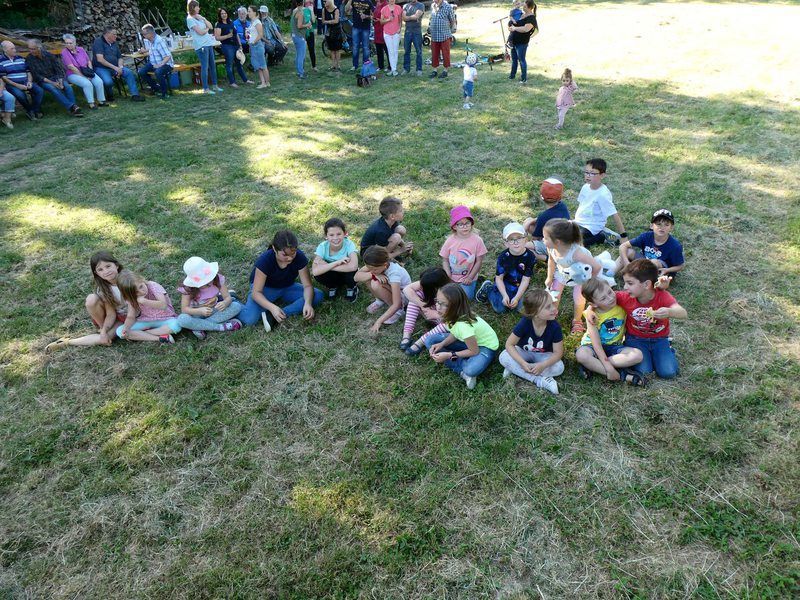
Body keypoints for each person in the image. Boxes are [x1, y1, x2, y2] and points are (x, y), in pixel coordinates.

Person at [613, 259, 687, 379]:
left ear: (647, 284)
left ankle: (668, 349)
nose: (625, 287)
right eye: (625, 283)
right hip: (635, 339)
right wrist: (590, 309)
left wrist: (669, 311)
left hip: (659, 339)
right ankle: (653, 356)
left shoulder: (662, 296)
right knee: (645, 371)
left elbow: (683, 313)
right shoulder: (625, 297)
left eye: (630, 283)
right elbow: (604, 297)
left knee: (668, 373)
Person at [238, 230, 324, 331]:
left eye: (293, 253)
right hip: (266, 289)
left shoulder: (299, 257)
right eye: (285, 255)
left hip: (287, 287)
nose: (290, 258)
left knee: (317, 295)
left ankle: (275, 314)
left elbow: (308, 286)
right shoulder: (265, 260)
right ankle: (232, 300)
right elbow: (256, 293)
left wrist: (308, 303)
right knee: (249, 319)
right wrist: (272, 307)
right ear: (274, 248)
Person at [45, 251, 127, 351]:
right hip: (118, 317)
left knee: (108, 337)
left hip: (131, 316)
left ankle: (105, 333)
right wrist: (104, 331)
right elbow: (111, 313)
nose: (106, 271)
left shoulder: (128, 280)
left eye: (108, 266)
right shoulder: (104, 289)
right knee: (91, 300)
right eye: (100, 269)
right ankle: (68, 342)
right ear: (97, 273)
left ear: (116, 265)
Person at [423, 283, 499, 390]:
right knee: (430, 340)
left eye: (443, 304)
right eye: (437, 302)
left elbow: (474, 351)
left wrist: (449, 355)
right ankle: (460, 363)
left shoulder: (463, 326)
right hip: (468, 340)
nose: (438, 307)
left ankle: (463, 372)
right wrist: (442, 344)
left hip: (485, 347)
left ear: (455, 306)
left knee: (471, 370)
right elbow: (455, 334)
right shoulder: (450, 316)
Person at [576, 277, 646, 386]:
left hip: (614, 346)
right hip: (592, 346)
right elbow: (596, 344)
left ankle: (593, 365)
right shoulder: (592, 316)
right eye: (603, 298)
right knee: (581, 355)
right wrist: (609, 367)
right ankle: (622, 374)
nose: (610, 298)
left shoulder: (622, 305)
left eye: (610, 292)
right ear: (593, 304)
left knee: (638, 355)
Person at [498, 288, 564, 394]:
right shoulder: (525, 323)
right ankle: (539, 380)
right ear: (535, 313)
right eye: (548, 307)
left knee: (559, 367)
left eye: (552, 304)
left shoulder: (555, 326)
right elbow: (509, 344)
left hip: (544, 356)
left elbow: (558, 353)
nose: (554, 308)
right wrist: (522, 363)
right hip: (523, 352)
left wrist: (543, 365)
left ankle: (516, 370)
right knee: (503, 356)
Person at [543, 218, 602, 334]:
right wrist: (549, 277)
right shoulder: (551, 247)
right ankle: (553, 314)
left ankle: (577, 320)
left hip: (580, 276)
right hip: (563, 272)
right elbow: (551, 260)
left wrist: (589, 281)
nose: (542, 239)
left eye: (545, 238)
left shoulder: (577, 254)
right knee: (554, 294)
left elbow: (597, 266)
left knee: (579, 298)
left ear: (558, 241)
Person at [176, 256, 243, 339]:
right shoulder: (188, 289)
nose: (207, 284)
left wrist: (225, 303)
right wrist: (199, 311)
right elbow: (184, 309)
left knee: (236, 306)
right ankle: (221, 327)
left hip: (214, 310)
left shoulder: (218, 280)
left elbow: (227, 298)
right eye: (203, 283)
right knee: (182, 319)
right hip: (196, 315)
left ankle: (198, 327)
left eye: (208, 280)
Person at [476, 222, 536, 314]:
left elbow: (525, 280)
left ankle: (516, 297)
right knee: (500, 309)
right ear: (506, 243)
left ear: (526, 239)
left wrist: (517, 298)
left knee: (520, 309)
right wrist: (504, 295)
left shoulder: (530, 256)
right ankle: (488, 288)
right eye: (511, 239)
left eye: (519, 238)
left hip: (519, 286)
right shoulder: (503, 257)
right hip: (505, 285)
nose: (516, 243)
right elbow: (499, 278)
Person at [354, 245, 411, 332]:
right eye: (369, 268)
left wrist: (378, 321)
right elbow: (356, 277)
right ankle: (380, 300)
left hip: (404, 296)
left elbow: (397, 303)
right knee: (370, 278)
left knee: (375, 283)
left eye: (374, 270)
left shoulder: (394, 273)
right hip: (391, 289)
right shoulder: (375, 264)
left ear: (384, 265)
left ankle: (399, 312)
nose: (371, 270)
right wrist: (374, 274)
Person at [116, 270, 182, 344]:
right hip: (146, 320)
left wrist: (144, 301)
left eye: (141, 286)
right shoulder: (131, 297)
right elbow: (131, 316)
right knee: (119, 331)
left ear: (141, 280)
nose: (142, 292)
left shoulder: (153, 286)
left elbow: (163, 305)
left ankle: (143, 334)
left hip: (166, 318)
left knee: (176, 325)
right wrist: (126, 328)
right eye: (136, 292)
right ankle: (159, 338)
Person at [616, 209, 685, 279]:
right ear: (651, 226)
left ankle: (634, 276)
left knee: (654, 262)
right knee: (628, 251)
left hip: (661, 271)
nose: (662, 228)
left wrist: (667, 270)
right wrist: (626, 263)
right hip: (644, 262)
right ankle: (610, 274)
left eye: (666, 225)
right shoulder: (646, 236)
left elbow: (680, 266)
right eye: (658, 224)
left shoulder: (675, 246)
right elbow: (623, 246)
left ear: (671, 228)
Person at [574, 158, 627, 247]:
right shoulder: (585, 187)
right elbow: (582, 205)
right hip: (578, 222)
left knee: (574, 243)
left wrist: (623, 236)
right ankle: (603, 234)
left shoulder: (603, 194)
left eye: (592, 173)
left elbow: (614, 214)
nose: (588, 176)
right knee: (561, 232)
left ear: (602, 175)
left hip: (591, 227)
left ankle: (601, 237)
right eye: (586, 172)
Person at [439, 205, 487, 299]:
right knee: (446, 295)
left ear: (471, 223)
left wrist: (470, 277)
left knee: (466, 297)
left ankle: (476, 282)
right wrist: (448, 274)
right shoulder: (450, 241)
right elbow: (445, 260)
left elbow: (479, 261)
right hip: (452, 277)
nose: (464, 226)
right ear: (454, 226)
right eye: (460, 224)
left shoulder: (477, 240)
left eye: (467, 223)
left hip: (468, 277)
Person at [25, 39, 83, 117]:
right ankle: (72, 107)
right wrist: (53, 83)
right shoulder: (29, 59)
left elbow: (58, 68)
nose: (31, 51)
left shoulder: (49, 55)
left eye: (33, 49)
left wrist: (60, 81)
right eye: (30, 49)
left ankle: (74, 109)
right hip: (43, 81)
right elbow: (37, 76)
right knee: (53, 89)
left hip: (55, 77)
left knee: (67, 87)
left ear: (39, 48)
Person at [399, 266, 449, 352]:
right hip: (428, 312)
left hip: (443, 320)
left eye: (424, 287)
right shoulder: (428, 283)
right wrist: (423, 306)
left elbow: (456, 317)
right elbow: (407, 289)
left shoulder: (451, 294)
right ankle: (406, 334)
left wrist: (436, 314)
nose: (421, 287)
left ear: (435, 288)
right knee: (414, 298)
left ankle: (420, 342)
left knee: (448, 324)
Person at [523, 177, 570, 263]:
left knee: (524, 247)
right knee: (529, 221)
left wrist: (525, 229)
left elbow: (535, 238)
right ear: (560, 197)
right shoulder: (563, 206)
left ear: (541, 197)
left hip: (554, 246)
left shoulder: (544, 216)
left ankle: (540, 256)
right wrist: (532, 220)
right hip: (565, 241)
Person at [312, 217, 360, 301]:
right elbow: (315, 272)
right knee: (319, 275)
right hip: (335, 274)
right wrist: (337, 262)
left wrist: (327, 265)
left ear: (345, 233)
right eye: (331, 235)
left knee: (352, 272)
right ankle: (333, 286)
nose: (335, 238)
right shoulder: (323, 246)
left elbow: (354, 266)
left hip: (347, 273)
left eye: (339, 234)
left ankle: (352, 287)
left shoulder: (349, 244)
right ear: (326, 236)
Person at [92, 26, 145, 101]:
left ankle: (135, 95)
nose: (116, 36)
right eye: (114, 34)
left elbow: (120, 57)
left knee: (129, 73)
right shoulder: (98, 42)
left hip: (116, 67)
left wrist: (120, 67)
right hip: (101, 68)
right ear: (107, 34)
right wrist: (115, 68)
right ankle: (109, 96)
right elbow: (100, 59)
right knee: (108, 82)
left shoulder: (114, 43)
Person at [61, 34, 108, 109]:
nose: (68, 45)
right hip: (73, 74)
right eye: (66, 43)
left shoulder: (81, 49)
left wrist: (90, 72)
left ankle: (101, 101)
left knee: (99, 81)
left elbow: (88, 61)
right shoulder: (64, 52)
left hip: (86, 71)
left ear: (75, 43)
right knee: (87, 83)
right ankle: (91, 104)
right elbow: (71, 67)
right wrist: (84, 76)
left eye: (70, 43)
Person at [186, 0, 224, 94]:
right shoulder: (190, 19)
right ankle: (206, 89)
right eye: (197, 7)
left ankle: (215, 85)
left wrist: (203, 18)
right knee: (205, 67)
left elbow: (211, 26)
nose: (199, 8)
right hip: (201, 46)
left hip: (208, 44)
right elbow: (200, 32)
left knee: (212, 65)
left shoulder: (199, 17)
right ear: (193, 8)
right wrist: (206, 29)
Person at [1, 40, 43, 120]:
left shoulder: (20, 58)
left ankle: (34, 110)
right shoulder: (1, 60)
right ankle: (30, 111)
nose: (15, 50)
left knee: (39, 91)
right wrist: (18, 85)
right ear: (5, 50)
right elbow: (4, 78)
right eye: (12, 49)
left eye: (14, 48)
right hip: (12, 84)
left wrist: (29, 81)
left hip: (25, 81)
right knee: (21, 95)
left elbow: (28, 71)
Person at [215, 8, 251, 87]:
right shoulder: (219, 25)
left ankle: (245, 80)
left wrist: (240, 45)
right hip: (227, 46)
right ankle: (232, 82)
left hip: (235, 45)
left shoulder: (231, 22)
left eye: (225, 13)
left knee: (239, 63)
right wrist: (227, 36)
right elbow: (217, 37)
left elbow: (236, 34)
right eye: (222, 13)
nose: (224, 15)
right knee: (229, 64)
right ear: (220, 15)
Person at [138, 24, 175, 100]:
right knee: (141, 72)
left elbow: (168, 56)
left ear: (151, 34)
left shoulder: (159, 41)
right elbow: (154, 51)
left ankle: (164, 92)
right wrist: (144, 52)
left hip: (166, 64)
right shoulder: (150, 41)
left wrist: (160, 65)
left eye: (144, 34)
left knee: (158, 72)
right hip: (153, 63)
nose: (143, 36)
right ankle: (156, 88)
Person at [507, 0, 537, 84]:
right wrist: (510, 26)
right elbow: (513, 23)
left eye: (524, 6)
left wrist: (515, 28)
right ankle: (512, 76)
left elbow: (525, 29)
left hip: (522, 43)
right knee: (514, 60)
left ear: (529, 7)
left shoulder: (531, 18)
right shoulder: (522, 15)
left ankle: (524, 78)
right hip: (514, 41)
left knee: (521, 60)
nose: (522, 6)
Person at [427, 0, 456, 79]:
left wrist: (450, 29)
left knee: (445, 53)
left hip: (444, 35)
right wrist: (429, 27)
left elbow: (452, 20)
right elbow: (431, 18)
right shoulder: (433, 5)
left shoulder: (448, 7)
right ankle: (435, 70)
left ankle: (445, 70)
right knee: (434, 53)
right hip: (434, 35)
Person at [345, 0, 375, 71]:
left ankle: (365, 65)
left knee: (365, 47)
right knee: (355, 47)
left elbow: (374, 16)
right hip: (356, 27)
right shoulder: (354, 1)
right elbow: (346, 10)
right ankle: (355, 65)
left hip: (366, 28)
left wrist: (366, 16)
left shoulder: (369, 2)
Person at [246, 5, 271, 88]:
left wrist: (253, 42)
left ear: (254, 12)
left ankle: (267, 83)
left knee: (263, 65)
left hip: (257, 45)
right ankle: (262, 82)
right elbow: (251, 34)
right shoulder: (252, 23)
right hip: (253, 46)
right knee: (257, 66)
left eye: (249, 11)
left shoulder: (257, 22)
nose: (248, 13)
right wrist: (247, 36)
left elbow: (260, 35)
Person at [401, 0, 424, 76]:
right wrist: (412, 17)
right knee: (406, 51)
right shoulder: (405, 6)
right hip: (407, 31)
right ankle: (406, 69)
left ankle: (419, 69)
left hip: (417, 32)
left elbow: (416, 16)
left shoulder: (421, 5)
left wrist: (409, 17)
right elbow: (403, 18)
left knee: (419, 51)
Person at [380, 0, 402, 76]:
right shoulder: (384, 9)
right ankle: (393, 69)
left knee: (395, 50)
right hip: (387, 33)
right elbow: (381, 22)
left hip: (396, 32)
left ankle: (394, 69)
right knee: (390, 51)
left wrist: (400, 28)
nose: (392, 0)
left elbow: (400, 20)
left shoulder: (398, 8)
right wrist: (388, 19)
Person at [291, 0, 312, 79]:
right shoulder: (300, 13)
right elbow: (299, 26)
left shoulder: (294, 10)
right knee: (301, 55)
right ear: (303, 3)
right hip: (299, 36)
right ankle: (301, 73)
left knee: (298, 54)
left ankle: (299, 71)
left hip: (294, 35)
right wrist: (307, 24)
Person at [322, 0, 343, 71]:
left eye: (326, 1)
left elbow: (336, 21)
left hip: (337, 31)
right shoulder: (324, 10)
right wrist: (331, 21)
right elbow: (323, 21)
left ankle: (338, 65)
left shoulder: (336, 10)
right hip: (329, 31)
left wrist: (328, 22)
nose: (324, 3)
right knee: (331, 49)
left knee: (337, 49)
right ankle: (333, 65)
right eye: (324, 2)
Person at [372, 0, 389, 73]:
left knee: (387, 49)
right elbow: (375, 14)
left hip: (384, 29)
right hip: (377, 29)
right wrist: (373, 18)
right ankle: (380, 66)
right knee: (378, 49)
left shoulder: (386, 4)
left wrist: (379, 20)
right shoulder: (377, 3)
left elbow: (389, 18)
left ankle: (390, 66)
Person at [303, 0, 318, 72]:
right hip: (302, 32)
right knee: (302, 50)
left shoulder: (310, 10)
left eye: (311, 3)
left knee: (311, 49)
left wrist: (311, 11)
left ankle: (314, 66)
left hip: (310, 32)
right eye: (307, 3)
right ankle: (301, 67)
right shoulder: (301, 10)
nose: (309, 4)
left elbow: (314, 21)